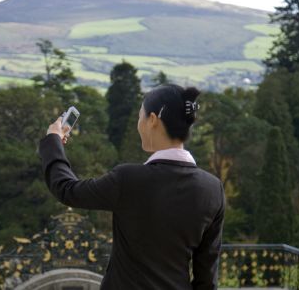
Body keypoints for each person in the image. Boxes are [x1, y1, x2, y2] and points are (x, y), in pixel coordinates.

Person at [38, 84, 226, 289]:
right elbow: (206, 278)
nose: (139, 124)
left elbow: (67, 189)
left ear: (153, 120)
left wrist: (52, 141)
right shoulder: (213, 189)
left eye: (140, 117)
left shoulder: (128, 179)